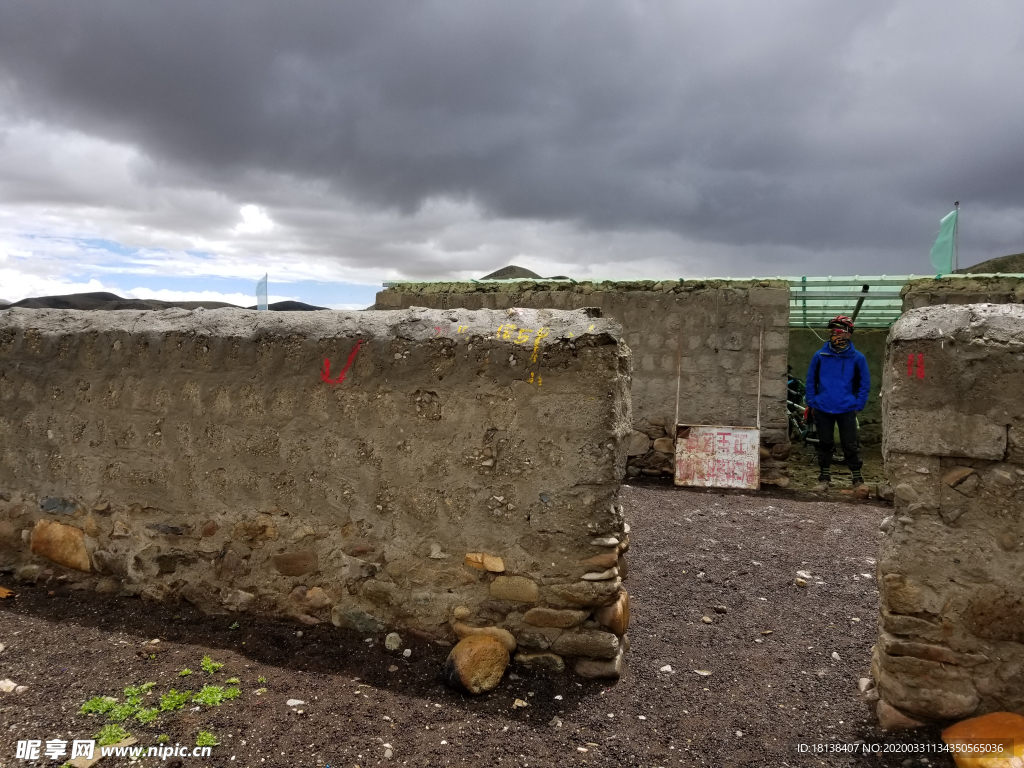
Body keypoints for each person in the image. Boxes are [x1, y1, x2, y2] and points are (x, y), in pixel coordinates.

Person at [805, 315, 870, 491]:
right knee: (825, 443)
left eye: (839, 331)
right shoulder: (820, 356)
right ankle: (824, 478)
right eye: (833, 331)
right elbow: (811, 380)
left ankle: (857, 478)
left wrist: (859, 404)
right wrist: (812, 401)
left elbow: (864, 383)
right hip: (822, 407)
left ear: (849, 334)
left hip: (847, 408)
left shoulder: (858, 358)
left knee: (850, 443)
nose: (835, 334)